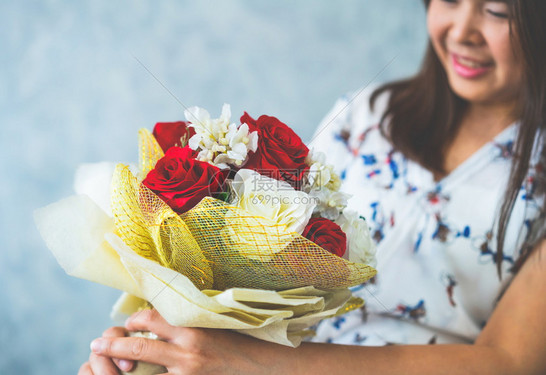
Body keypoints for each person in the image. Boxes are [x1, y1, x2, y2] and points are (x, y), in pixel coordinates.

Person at [79, 0, 546, 373]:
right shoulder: (369, 115)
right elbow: (273, 275)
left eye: (498, 10)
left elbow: (509, 361)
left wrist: (265, 366)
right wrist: (168, 346)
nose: (461, 30)